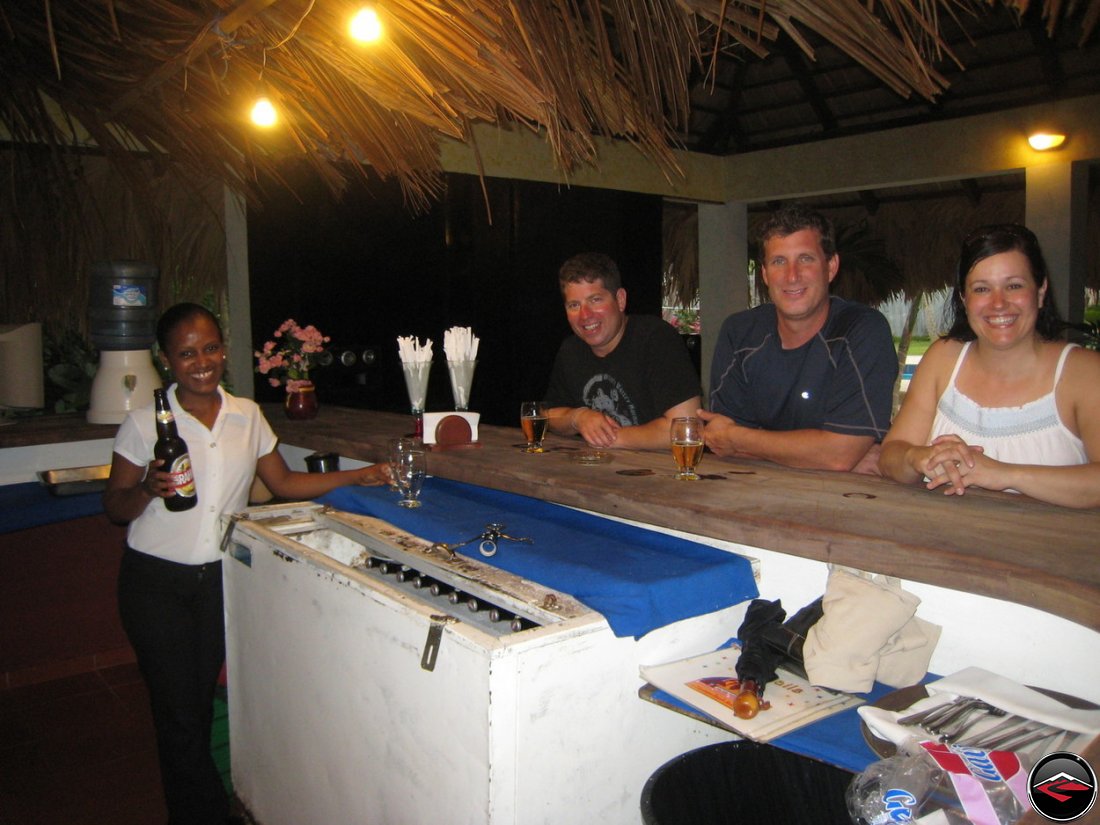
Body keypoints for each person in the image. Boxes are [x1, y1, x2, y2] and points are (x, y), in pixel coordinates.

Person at [103, 303, 391, 825]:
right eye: (187, 353)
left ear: (223, 348)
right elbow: (115, 507)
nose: (202, 362)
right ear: (167, 360)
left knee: (194, 705)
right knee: (179, 715)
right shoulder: (146, 424)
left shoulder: (246, 415)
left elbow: (282, 484)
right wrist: (147, 487)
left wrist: (358, 476)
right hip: (154, 585)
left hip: (217, 578)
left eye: (210, 347)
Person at [879, 224, 1100, 508]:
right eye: (982, 289)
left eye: (1014, 286)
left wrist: (1005, 474)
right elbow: (890, 456)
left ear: (1041, 290)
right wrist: (919, 458)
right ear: (963, 298)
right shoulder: (942, 359)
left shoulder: (1083, 372)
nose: (998, 303)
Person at [701, 204, 896, 472]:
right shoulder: (740, 333)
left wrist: (739, 438)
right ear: (765, 274)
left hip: (850, 500)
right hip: (755, 494)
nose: (792, 276)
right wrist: (825, 454)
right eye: (779, 261)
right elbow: (723, 445)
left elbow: (838, 456)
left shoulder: (861, 330)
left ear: (831, 266)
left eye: (805, 259)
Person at [544, 252, 701, 450]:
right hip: (596, 473)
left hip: (661, 474)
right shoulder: (571, 350)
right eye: (574, 305)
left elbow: (688, 428)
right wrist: (578, 417)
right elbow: (548, 415)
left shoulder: (656, 338)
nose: (585, 315)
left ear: (620, 300)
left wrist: (607, 438)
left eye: (595, 300)